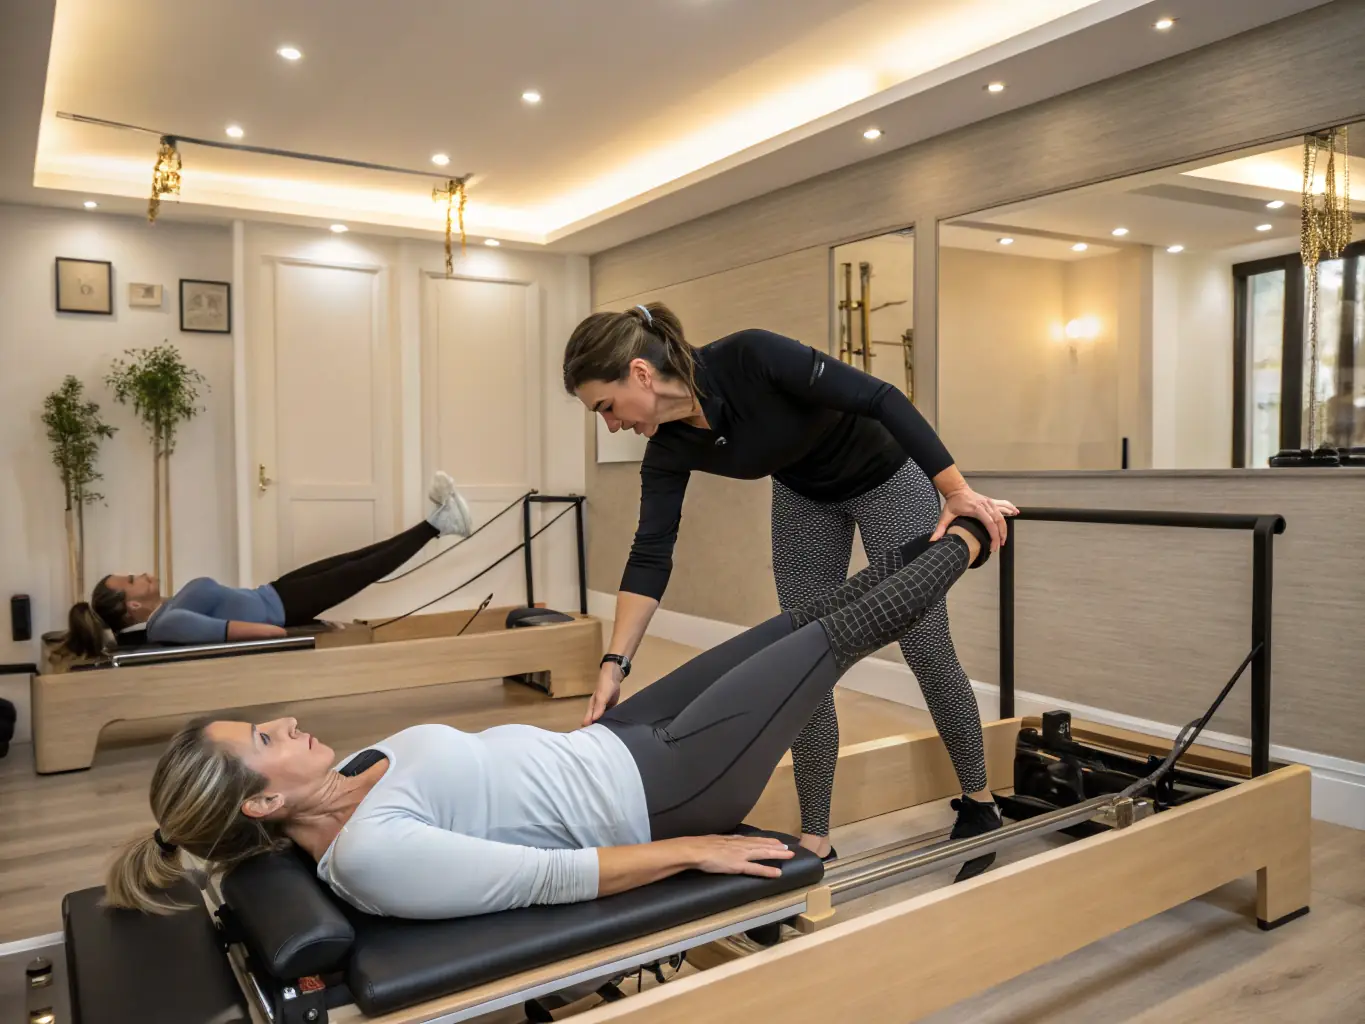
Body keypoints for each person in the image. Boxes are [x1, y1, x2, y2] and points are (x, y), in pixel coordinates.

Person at [106, 519, 991, 920]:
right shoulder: (372, 856)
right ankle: (973, 539)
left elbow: (501, 784)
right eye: (265, 740)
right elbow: (553, 877)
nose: (286, 721)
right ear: (259, 805)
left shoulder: (356, 767)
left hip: (612, 743)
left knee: (790, 623)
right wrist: (698, 849)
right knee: (830, 644)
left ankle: (930, 541)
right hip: (662, 791)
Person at [562, 304, 1017, 880]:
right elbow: (651, 552)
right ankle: (817, 835)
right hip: (804, 495)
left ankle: (980, 803)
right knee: (803, 656)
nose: (610, 424)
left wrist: (955, 492)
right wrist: (614, 662)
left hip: (886, 475)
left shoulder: (750, 355)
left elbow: (881, 397)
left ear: (641, 374)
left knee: (925, 643)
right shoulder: (670, 446)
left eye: (606, 406)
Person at [62, 473, 473, 658]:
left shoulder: (166, 614)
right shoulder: (167, 625)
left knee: (361, 558)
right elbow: (242, 633)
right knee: (368, 567)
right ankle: (440, 525)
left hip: (277, 592)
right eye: (132, 580)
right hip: (283, 606)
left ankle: (437, 520)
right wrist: (298, 628)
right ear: (132, 606)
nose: (141, 574)